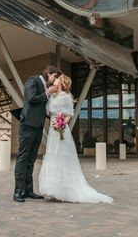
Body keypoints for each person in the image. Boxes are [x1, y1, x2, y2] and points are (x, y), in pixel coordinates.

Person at [38, 74, 113, 203]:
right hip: (52, 129)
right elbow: (49, 113)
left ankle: (65, 190)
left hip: (61, 130)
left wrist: (62, 124)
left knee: (62, 157)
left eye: (56, 79)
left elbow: (69, 115)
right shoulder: (52, 97)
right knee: (53, 156)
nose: (54, 80)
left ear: (61, 82)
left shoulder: (67, 97)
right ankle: (54, 190)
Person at [13, 65, 60, 202]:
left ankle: (28, 190)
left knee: (32, 159)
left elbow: (43, 107)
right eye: (54, 76)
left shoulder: (46, 87)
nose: (55, 79)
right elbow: (31, 98)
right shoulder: (32, 81)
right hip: (28, 125)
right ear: (48, 73)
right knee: (23, 158)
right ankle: (18, 192)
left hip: (38, 126)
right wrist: (48, 93)